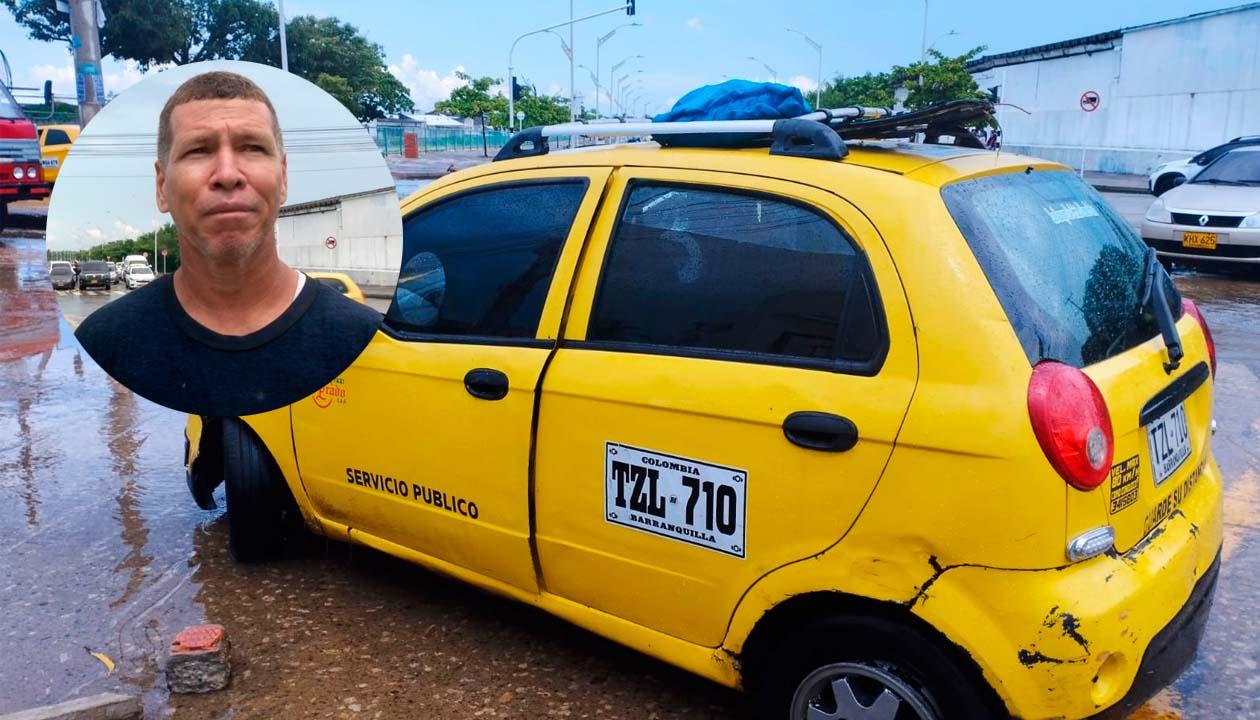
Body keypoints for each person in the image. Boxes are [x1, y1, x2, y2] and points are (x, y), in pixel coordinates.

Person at [75, 71, 381, 416]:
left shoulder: (363, 339)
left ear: (283, 178)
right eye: (198, 150)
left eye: (252, 147)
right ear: (162, 187)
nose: (228, 174)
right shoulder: (105, 343)